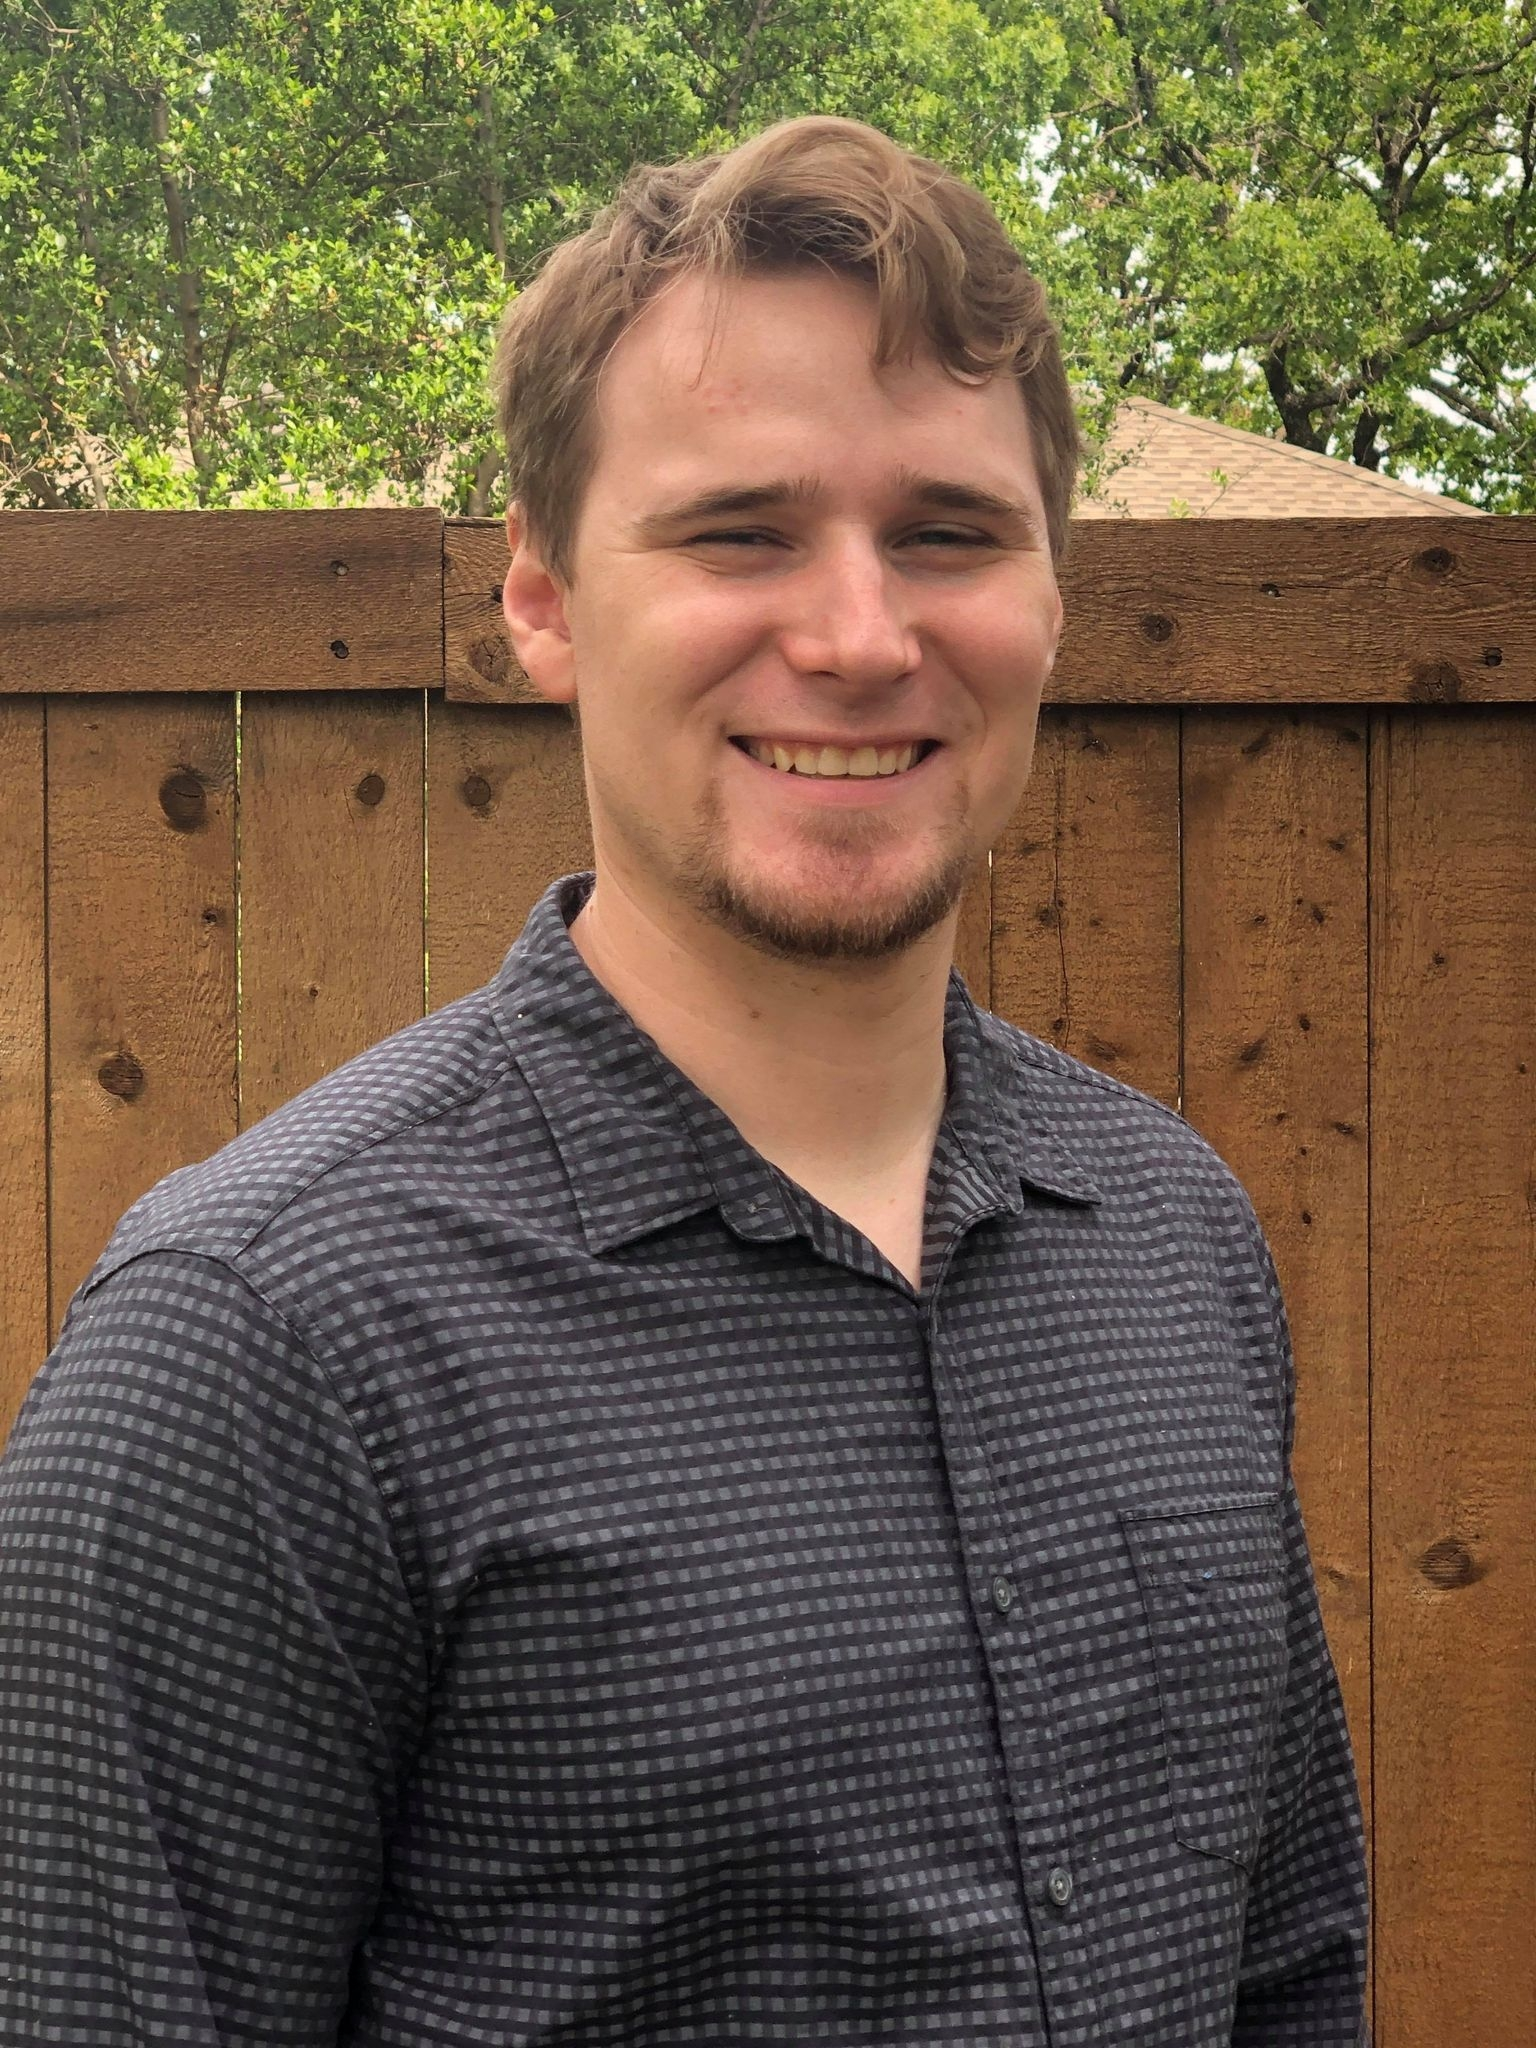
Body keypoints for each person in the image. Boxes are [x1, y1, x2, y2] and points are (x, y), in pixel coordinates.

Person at [0, 116, 1367, 2046]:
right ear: (545, 601)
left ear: (1055, 597)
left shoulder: (1175, 1239)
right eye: (741, 532)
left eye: (950, 536)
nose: (859, 634)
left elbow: (1290, 1964)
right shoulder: (259, 1348)